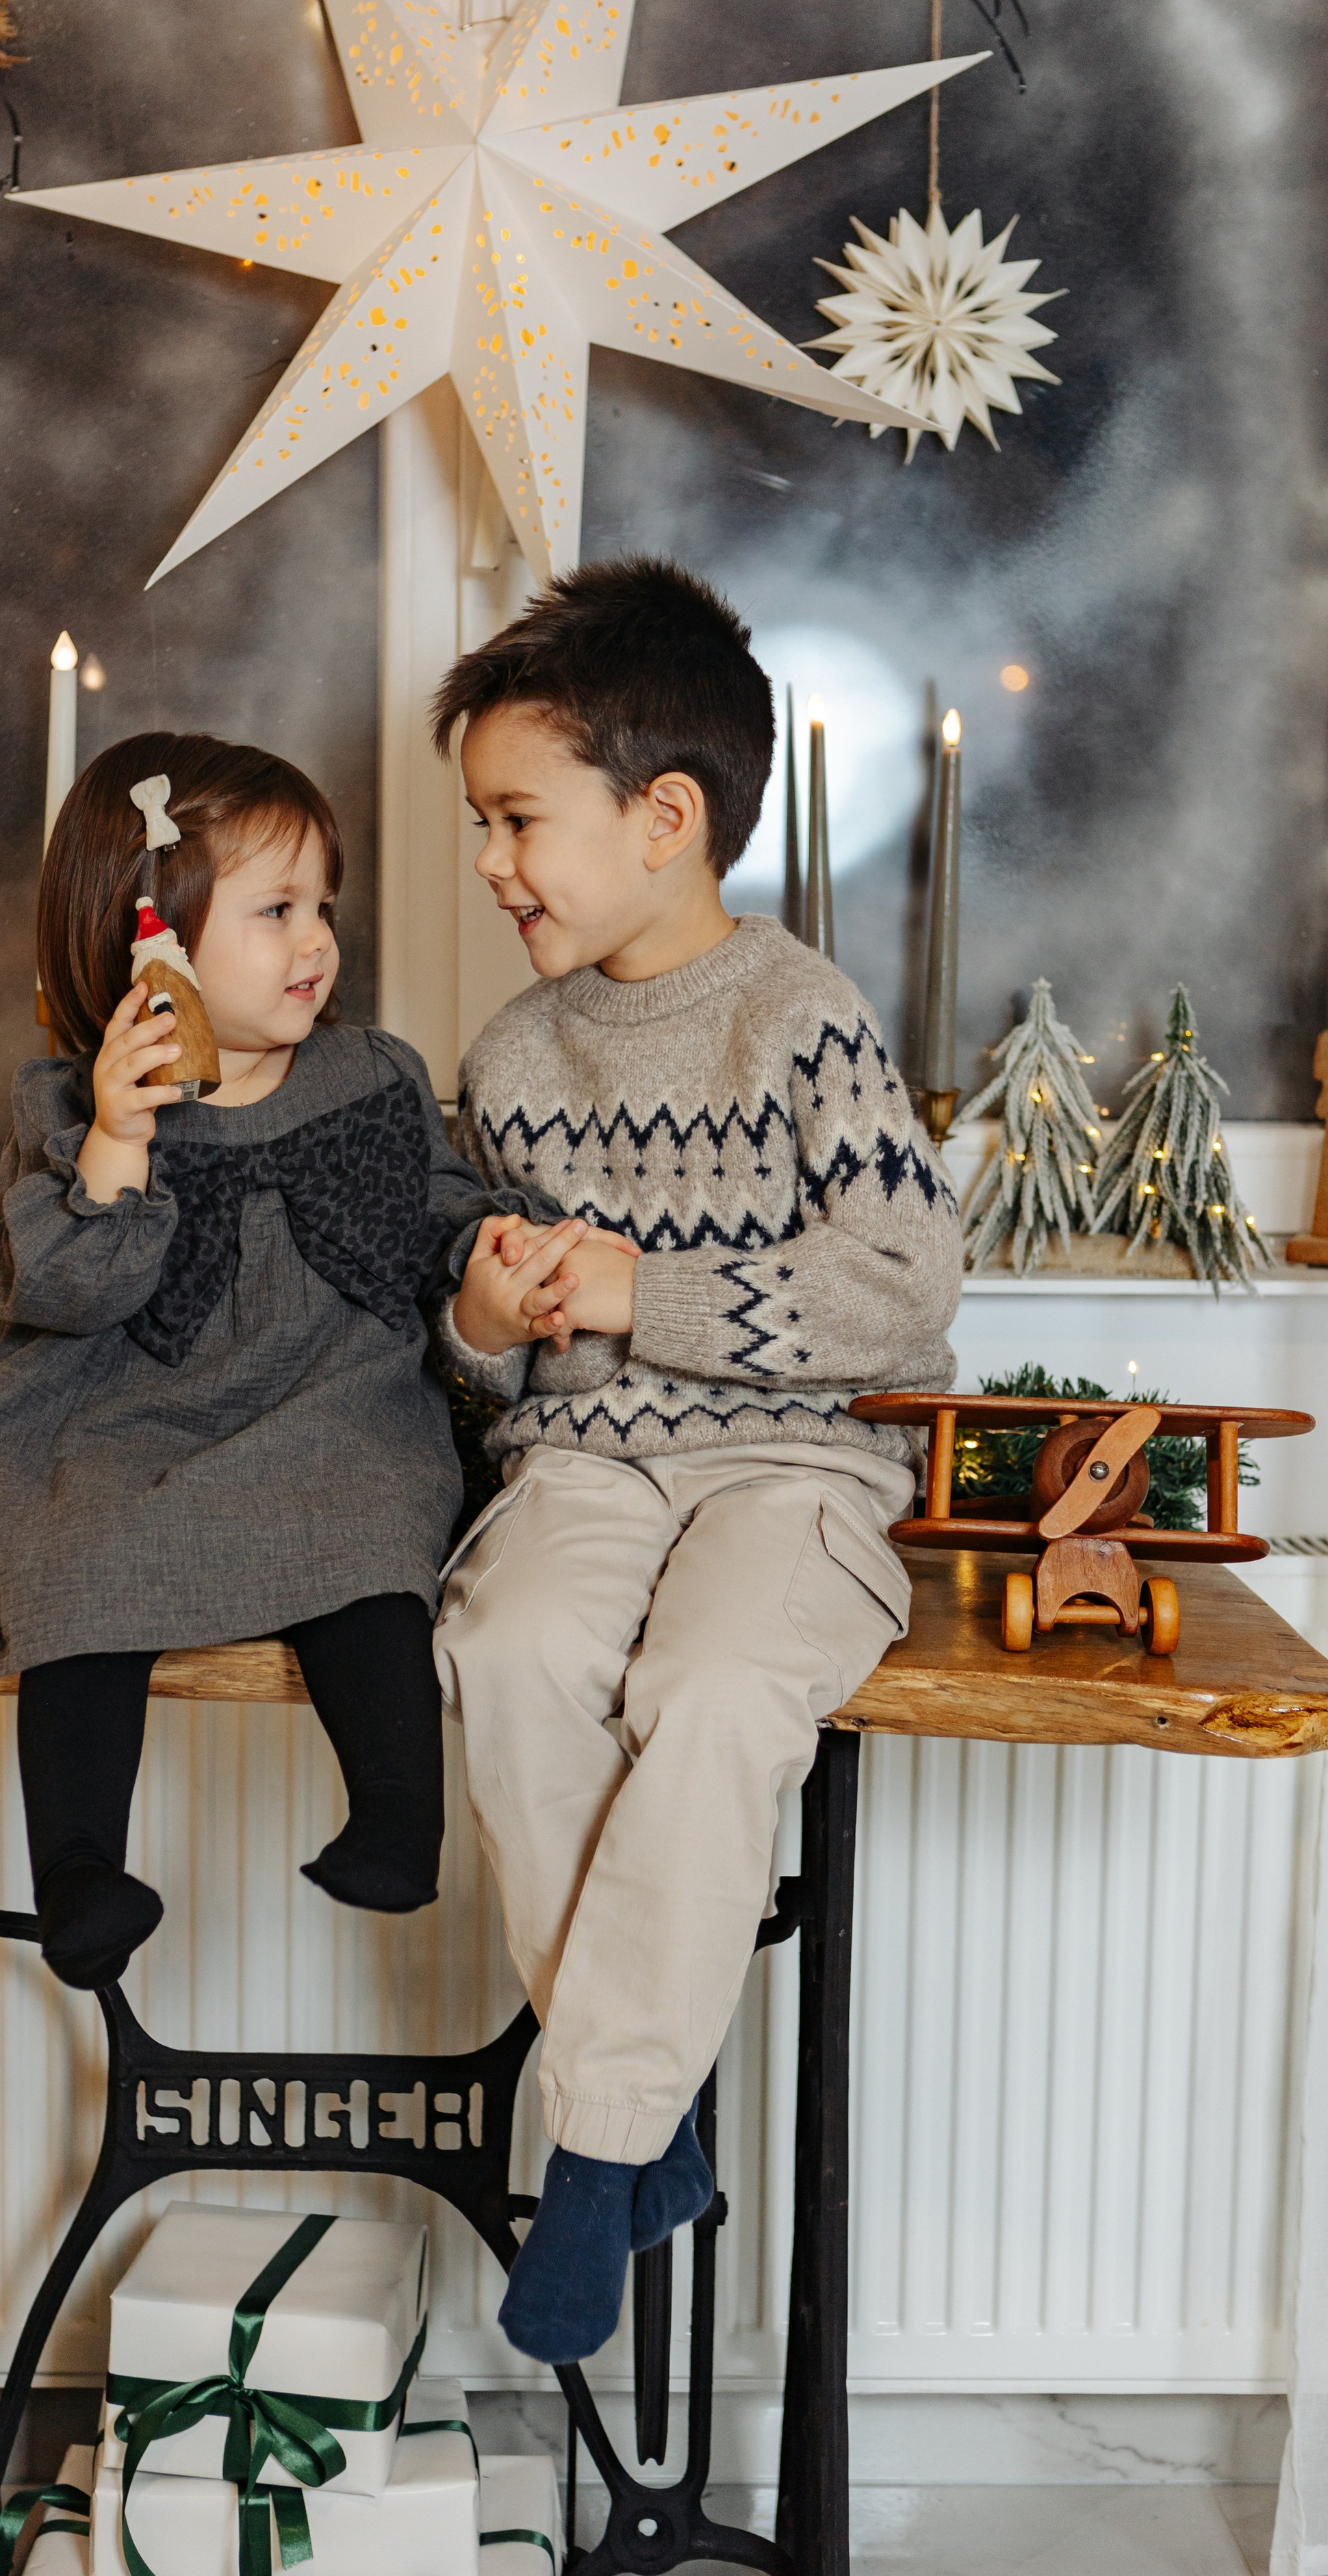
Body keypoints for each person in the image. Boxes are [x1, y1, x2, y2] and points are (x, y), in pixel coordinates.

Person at [430, 560, 964, 2362]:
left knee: (721, 1686)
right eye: (483, 823)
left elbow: (900, 1290)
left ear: (667, 818)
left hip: (790, 1476)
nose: (493, 863)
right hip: (586, 1463)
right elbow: (486, 1352)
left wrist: (647, 1288)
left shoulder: (797, 1018)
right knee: (508, 1650)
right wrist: (485, 1326)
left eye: (519, 819)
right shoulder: (508, 1056)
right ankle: (643, 2124)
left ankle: (597, 2151)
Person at [0, 731, 544, 1991]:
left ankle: (394, 1819)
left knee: (374, 1535)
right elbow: (65, 1291)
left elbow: (435, 1220)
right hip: (129, 1431)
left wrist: (490, 1265)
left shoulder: (374, 1076)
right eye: (274, 911)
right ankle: (81, 1870)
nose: (317, 941)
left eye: (324, 905)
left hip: (327, 1415)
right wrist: (116, 1141)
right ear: (147, 940)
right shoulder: (68, 1109)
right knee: (76, 1560)